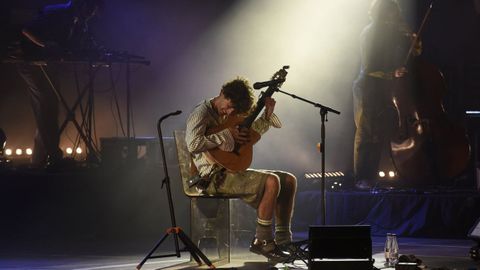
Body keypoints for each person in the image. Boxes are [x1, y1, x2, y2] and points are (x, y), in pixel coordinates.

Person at [185, 77, 297, 261]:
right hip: (211, 177)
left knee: (288, 180)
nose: (229, 112)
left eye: (233, 110)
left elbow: (252, 132)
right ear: (222, 93)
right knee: (272, 181)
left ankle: (284, 241)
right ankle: (263, 241)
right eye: (228, 106)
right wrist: (224, 135)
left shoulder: (231, 114)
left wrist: (267, 115)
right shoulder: (201, 113)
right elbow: (193, 144)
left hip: (230, 170)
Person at [15, 0, 103, 168]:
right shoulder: (57, 13)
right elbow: (27, 30)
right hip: (31, 64)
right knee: (46, 105)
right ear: (82, 5)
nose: (92, 14)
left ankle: (39, 160)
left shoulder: (76, 21)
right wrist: (47, 45)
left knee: (50, 107)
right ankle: (53, 157)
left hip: (46, 65)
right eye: (91, 10)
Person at [352, 0, 421, 189]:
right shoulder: (370, 33)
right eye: (390, 14)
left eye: (395, 14)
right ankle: (361, 178)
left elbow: (415, 51)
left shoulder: (392, 33)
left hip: (382, 87)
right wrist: (392, 73)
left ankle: (370, 177)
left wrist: (413, 39)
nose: (394, 17)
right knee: (366, 132)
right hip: (367, 86)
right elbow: (369, 67)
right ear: (383, 13)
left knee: (378, 133)